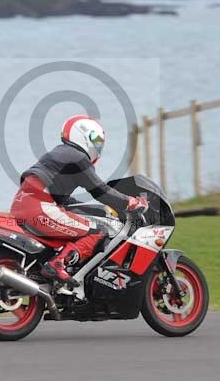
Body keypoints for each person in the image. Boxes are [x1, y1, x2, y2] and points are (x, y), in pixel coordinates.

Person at [11, 115, 149, 283]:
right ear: (82, 135)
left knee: (79, 226)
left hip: (23, 206)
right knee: (99, 231)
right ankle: (57, 264)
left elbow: (63, 199)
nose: (98, 145)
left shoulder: (60, 153)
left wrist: (93, 209)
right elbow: (101, 191)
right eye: (96, 139)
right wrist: (131, 202)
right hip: (41, 209)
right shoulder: (78, 157)